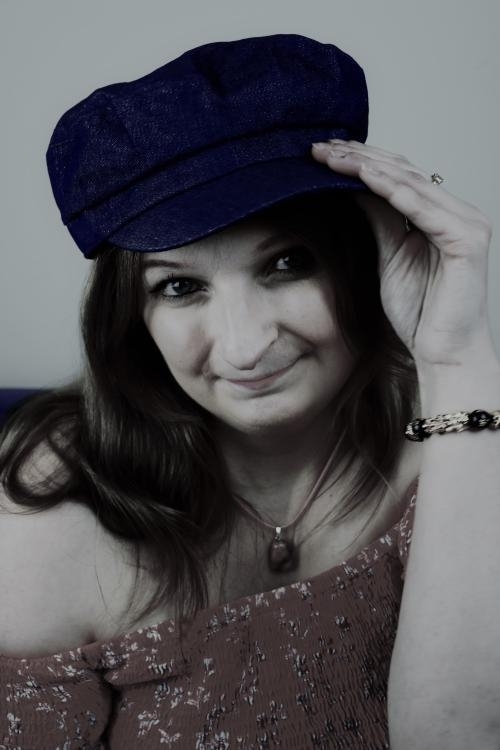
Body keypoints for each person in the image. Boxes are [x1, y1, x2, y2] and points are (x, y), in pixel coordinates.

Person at [0, 33, 499, 750]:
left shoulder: (465, 433)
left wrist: (455, 360)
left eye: (286, 264)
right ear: (133, 318)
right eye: (180, 287)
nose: (243, 346)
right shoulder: (53, 506)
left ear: (362, 260)